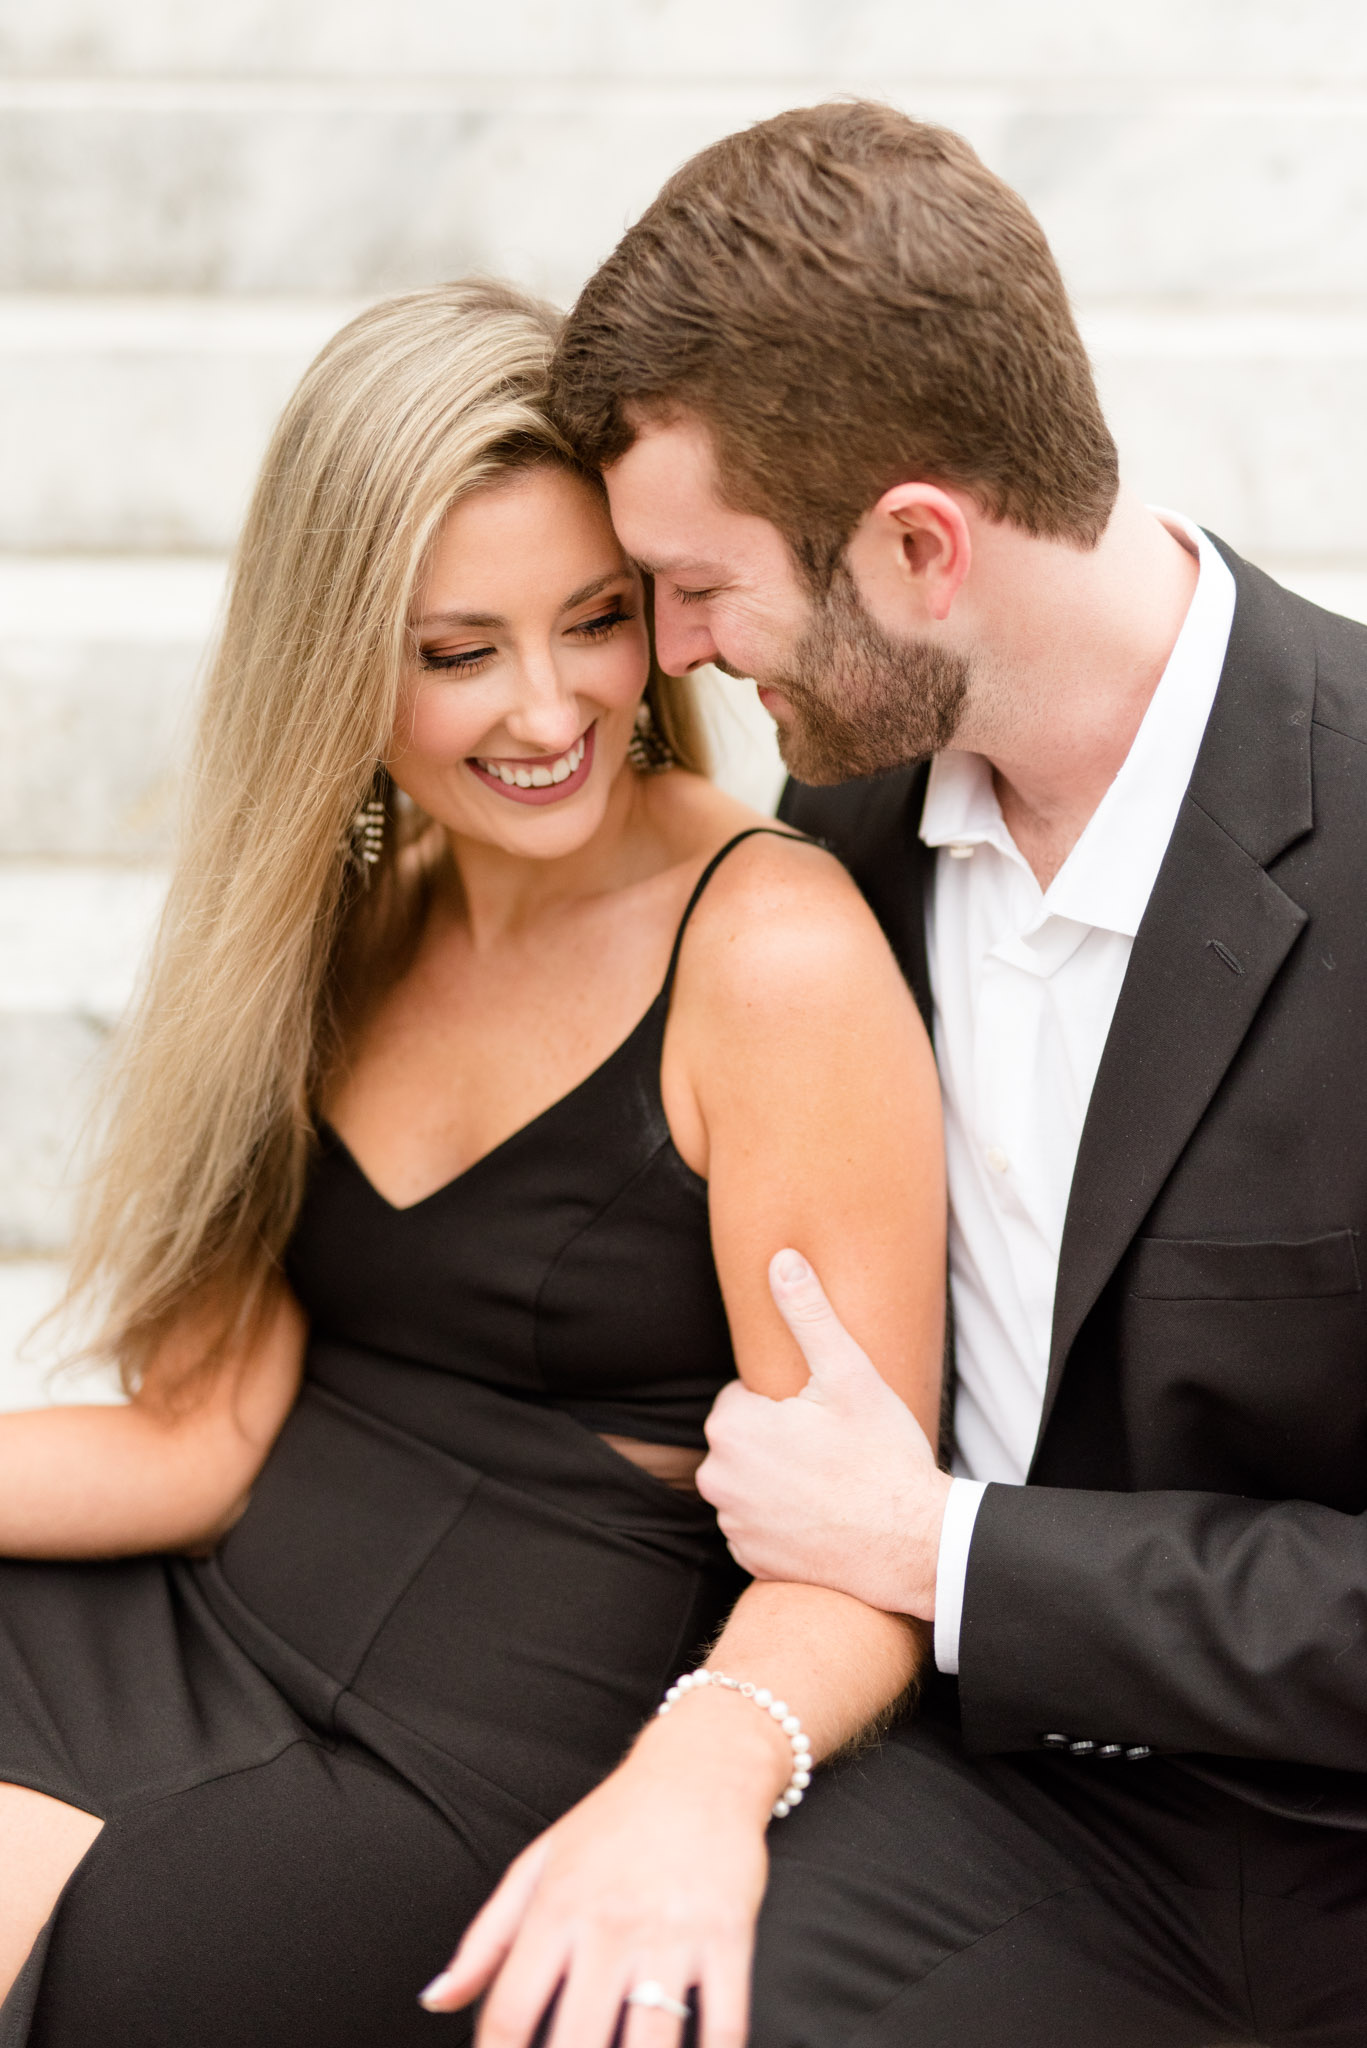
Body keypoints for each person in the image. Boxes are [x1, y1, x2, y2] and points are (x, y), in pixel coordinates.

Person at [0, 280, 948, 2047]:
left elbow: (868, 1548)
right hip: (208, 1609)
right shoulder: (348, 920)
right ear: (340, 667)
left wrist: (697, 1788)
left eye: (594, 621)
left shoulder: (769, 951)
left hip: (473, 1749)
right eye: (460, 652)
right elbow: (201, 1442)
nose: (546, 708)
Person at [542, 99, 1367, 2045]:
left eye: (696, 582)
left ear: (920, 547)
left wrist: (946, 1548)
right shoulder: (842, 840)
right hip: (1017, 1824)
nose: (664, 649)